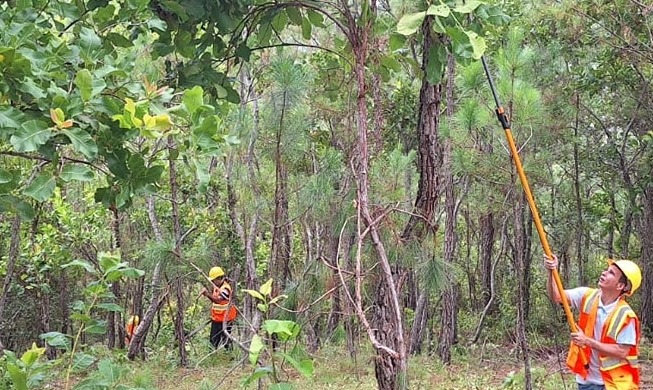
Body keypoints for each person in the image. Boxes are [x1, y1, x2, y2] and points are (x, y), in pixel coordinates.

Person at [544, 255, 642, 390]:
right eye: (607, 270)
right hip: (586, 380)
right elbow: (556, 295)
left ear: (620, 285)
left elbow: (622, 352)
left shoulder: (626, 316)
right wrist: (551, 271)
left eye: (611, 273)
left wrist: (587, 341)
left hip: (612, 383)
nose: (604, 273)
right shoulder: (587, 295)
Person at [200, 266, 237, 349]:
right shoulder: (217, 287)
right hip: (217, 318)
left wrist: (207, 294)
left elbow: (218, 301)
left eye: (214, 280)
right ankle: (213, 357)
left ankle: (230, 356)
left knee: (226, 339)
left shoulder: (225, 289)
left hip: (226, 319)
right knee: (213, 340)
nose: (212, 282)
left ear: (219, 278)